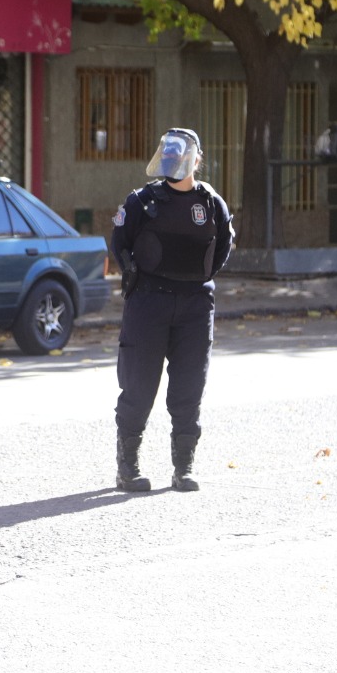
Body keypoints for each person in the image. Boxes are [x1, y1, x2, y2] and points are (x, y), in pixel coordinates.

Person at [110, 128, 235, 492]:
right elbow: (120, 245)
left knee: (189, 387)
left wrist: (199, 279)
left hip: (196, 304)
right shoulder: (141, 202)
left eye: (181, 157)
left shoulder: (211, 202)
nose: (175, 163)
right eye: (170, 156)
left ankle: (183, 468)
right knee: (138, 386)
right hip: (149, 303)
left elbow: (224, 246)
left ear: (197, 160)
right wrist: (136, 280)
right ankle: (127, 469)